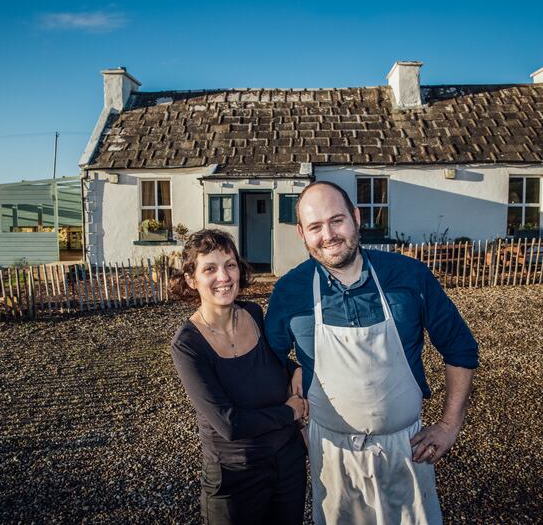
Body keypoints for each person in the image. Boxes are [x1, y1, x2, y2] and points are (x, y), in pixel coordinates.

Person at [265, 181, 479, 525]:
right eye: (315, 227)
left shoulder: (409, 276)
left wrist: (450, 425)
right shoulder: (290, 291)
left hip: (407, 451)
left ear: (356, 217)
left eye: (337, 220)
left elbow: (460, 348)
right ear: (301, 234)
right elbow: (267, 364)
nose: (329, 235)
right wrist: (294, 400)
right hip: (332, 455)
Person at [170, 229, 308, 525]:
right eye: (210, 268)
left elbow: (272, 360)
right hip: (236, 476)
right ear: (191, 279)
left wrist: (294, 367)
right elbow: (229, 424)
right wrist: (289, 412)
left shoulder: (254, 313)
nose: (224, 276)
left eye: (230, 265)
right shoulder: (188, 345)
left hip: (288, 463)